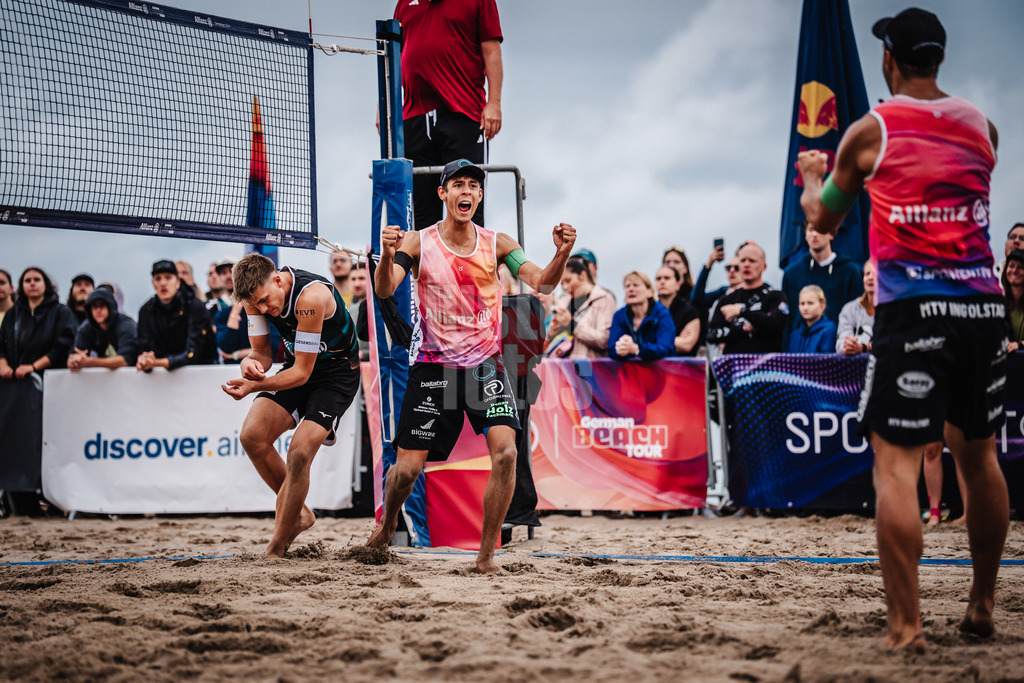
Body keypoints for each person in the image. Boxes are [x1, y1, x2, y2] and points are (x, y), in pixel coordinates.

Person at [798, 7, 1008, 650]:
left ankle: (907, 625)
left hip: (913, 307)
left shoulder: (872, 129)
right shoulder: (983, 126)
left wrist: (812, 176)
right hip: (981, 305)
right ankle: (980, 604)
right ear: (938, 58)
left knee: (894, 468)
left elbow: (825, 221)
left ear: (888, 60)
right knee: (979, 458)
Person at [366, 159, 575, 573]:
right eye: (457, 185)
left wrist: (562, 253)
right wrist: (387, 255)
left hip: (484, 367)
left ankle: (485, 557)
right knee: (406, 471)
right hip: (434, 367)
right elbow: (385, 287)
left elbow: (543, 283)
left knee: (506, 455)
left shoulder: (497, 243)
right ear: (443, 194)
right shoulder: (418, 242)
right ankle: (388, 524)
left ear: (480, 196)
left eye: (473, 186)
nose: (466, 192)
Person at [223, 253, 361, 557]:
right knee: (252, 436)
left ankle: (276, 546)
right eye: (256, 305)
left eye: (265, 301)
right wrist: (250, 364)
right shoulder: (253, 298)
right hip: (298, 368)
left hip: (336, 376)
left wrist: (254, 386)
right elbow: (262, 354)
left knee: (299, 451)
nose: (263, 309)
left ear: (277, 279)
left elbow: (302, 373)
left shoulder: (310, 298)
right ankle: (298, 513)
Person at [394, 0, 503, 229]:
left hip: (462, 112)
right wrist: (384, 107)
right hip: (414, 115)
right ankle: (428, 265)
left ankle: (472, 264)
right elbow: (394, 54)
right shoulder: (405, 2)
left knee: (466, 202)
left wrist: (494, 102)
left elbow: (491, 49)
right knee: (421, 210)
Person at [781, 222, 863, 349]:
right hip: (799, 352)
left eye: (820, 229)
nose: (814, 234)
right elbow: (786, 321)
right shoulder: (791, 274)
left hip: (841, 352)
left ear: (832, 234)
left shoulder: (850, 272)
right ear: (805, 234)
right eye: (810, 230)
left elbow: (859, 317)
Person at [706, 243, 789, 354]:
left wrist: (742, 311)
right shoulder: (727, 300)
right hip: (734, 368)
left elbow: (777, 324)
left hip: (766, 368)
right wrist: (744, 328)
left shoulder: (775, 296)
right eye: (743, 260)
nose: (746, 264)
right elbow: (711, 334)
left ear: (764, 266)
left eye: (752, 261)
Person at [136, 260, 217, 371]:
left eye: (168, 277)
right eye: (158, 278)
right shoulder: (146, 311)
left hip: (201, 373)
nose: (163, 283)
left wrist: (159, 362)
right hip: (161, 378)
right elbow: (145, 346)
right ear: (153, 284)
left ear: (178, 282)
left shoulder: (195, 306)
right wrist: (146, 358)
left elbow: (195, 352)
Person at [0, 267, 77, 379]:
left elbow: (63, 346)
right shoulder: (12, 313)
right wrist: (3, 366)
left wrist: (33, 367)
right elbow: (1, 345)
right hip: (15, 382)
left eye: (37, 279)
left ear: (46, 284)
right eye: (27, 280)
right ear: (21, 286)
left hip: (51, 380)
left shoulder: (61, 312)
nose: (32, 283)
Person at [545, 256, 614, 359]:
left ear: (582, 275)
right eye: (562, 283)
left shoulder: (604, 299)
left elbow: (604, 341)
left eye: (568, 281)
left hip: (590, 372)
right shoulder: (563, 303)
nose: (564, 287)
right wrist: (552, 333)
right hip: (561, 371)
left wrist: (572, 324)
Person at [67, 285, 138, 371]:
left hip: (134, 376)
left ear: (110, 307)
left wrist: (89, 361)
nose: (98, 310)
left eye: (102, 305)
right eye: (94, 306)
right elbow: (75, 354)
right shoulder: (86, 328)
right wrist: (74, 361)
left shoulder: (126, 325)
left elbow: (125, 360)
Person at [608, 271, 675, 361]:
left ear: (649, 292)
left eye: (636, 285)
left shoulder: (662, 314)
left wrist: (637, 349)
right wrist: (620, 349)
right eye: (627, 286)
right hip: (629, 372)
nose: (630, 289)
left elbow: (665, 348)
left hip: (661, 372)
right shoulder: (619, 315)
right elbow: (611, 348)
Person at [654, 265, 701, 356]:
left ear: (678, 284)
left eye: (667, 278)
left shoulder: (689, 312)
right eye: (658, 279)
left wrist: (652, 340)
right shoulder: (649, 312)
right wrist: (676, 339)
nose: (662, 282)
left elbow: (687, 345)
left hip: (682, 368)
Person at [836, 261, 876, 355]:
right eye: (867, 274)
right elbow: (841, 343)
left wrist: (864, 348)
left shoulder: (894, 308)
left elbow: (893, 342)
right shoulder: (849, 309)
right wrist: (847, 346)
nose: (870, 277)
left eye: (875, 274)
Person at [788, 285, 837, 353]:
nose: (805, 308)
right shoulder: (795, 335)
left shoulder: (828, 331)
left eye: (810, 303)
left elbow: (827, 360)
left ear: (822, 305)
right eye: (802, 303)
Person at [1002, 249, 1024, 351]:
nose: (1014, 271)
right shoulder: (998, 302)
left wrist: (1020, 344)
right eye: (1011, 266)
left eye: (1020, 267)